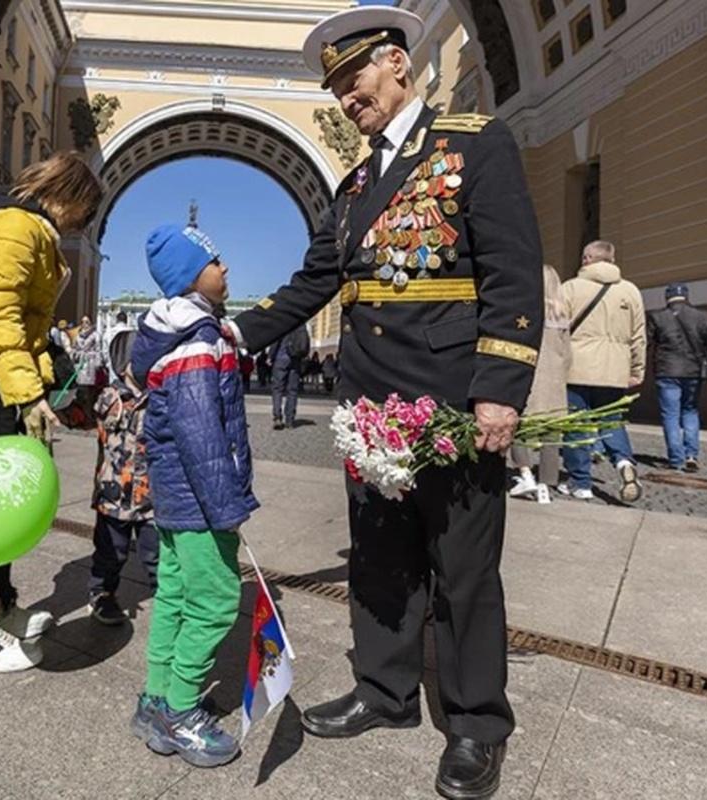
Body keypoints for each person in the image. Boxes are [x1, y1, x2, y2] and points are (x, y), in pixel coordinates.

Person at [222, 7, 544, 796]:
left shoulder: (473, 143)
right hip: (370, 406)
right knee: (379, 556)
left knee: (463, 570)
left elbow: (511, 271)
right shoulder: (353, 185)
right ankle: (384, 689)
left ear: (397, 63)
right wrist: (232, 335)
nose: (344, 96)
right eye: (333, 85)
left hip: (452, 403)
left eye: (353, 77)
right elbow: (314, 284)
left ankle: (474, 725)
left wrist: (500, 392)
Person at [0, 151, 102, 671]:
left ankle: (0, 607)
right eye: (84, 211)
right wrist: (29, 391)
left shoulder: (26, 228)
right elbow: (0, 320)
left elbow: (23, 326)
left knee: (6, 505)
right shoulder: (15, 228)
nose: (82, 224)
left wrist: (48, 370)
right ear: (65, 195)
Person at [130, 223, 256, 768]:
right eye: (216, 260)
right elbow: (203, 435)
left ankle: (155, 701)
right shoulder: (197, 341)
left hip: (176, 497)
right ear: (190, 275)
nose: (225, 268)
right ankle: (181, 711)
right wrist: (228, 510)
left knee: (176, 598)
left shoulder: (176, 335)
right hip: (202, 500)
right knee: (217, 601)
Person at [559, 240, 645, 502]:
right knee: (611, 420)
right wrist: (637, 369)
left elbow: (558, 330)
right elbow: (639, 336)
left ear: (587, 259)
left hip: (577, 367)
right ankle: (623, 463)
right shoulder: (630, 291)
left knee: (577, 425)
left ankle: (580, 483)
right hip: (614, 369)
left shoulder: (570, 288)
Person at [87, 325, 158, 625]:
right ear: (122, 364)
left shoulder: (160, 397)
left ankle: (168, 600)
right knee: (109, 553)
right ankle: (101, 595)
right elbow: (80, 414)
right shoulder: (109, 398)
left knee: (157, 556)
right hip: (112, 496)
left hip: (151, 499)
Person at [508, 265, 571, 503]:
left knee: (519, 426)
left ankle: (525, 473)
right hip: (554, 379)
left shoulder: (525, 310)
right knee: (551, 434)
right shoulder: (562, 313)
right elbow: (567, 353)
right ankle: (546, 483)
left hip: (530, 374)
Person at [646, 283, 707, 472]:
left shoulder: (657, 317)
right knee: (690, 411)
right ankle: (691, 455)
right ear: (687, 297)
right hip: (694, 372)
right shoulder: (704, 317)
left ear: (667, 298)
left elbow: (646, 343)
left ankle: (676, 458)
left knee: (671, 415)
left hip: (667, 371)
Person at [268, 324, 308, 429]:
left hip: (281, 360)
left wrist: (270, 356)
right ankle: (290, 420)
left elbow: (275, 342)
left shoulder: (284, 322)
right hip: (295, 361)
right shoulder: (301, 324)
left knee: (277, 389)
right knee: (292, 391)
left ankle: (277, 417)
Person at [72, 314, 101, 387]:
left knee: (89, 387)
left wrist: (98, 363)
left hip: (90, 364)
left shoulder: (95, 335)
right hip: (79, 363)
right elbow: (74, 348)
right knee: (79, 386)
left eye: (87, 322)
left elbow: (98, 350)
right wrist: (75, 354)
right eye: (82, 322)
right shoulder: (77, 335)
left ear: (91, 323)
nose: (84, 324)